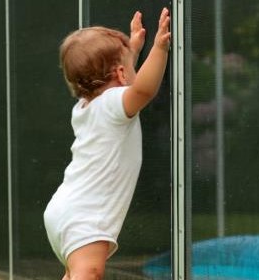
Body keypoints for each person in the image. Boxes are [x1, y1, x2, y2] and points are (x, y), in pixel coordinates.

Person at [43, 8, 171, 280]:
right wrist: (159, 48)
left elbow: (126, 82)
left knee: (78, 273)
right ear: (122, 73)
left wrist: (132, 52)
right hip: (85, 217)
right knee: (89, 273)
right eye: (130, 65)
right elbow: (143, 89)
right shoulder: (113, 106)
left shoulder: (86, 107)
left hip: (64, 209)